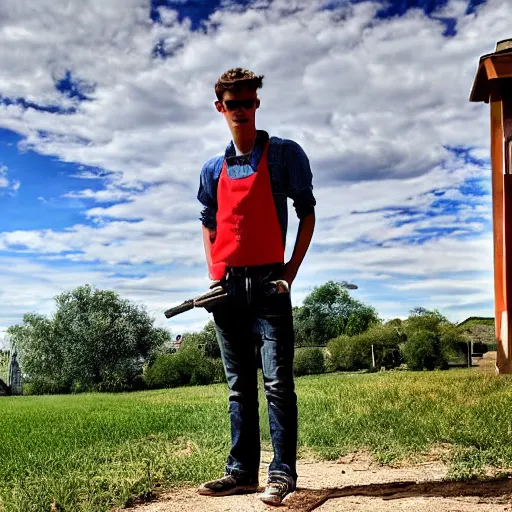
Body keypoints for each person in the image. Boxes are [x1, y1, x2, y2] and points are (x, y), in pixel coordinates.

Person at [196, 68, 316, 505]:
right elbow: (208, 222)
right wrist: (214, 275)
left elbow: (307, 213)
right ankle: (241, 471)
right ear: (220, 108)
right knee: (238, 386)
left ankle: (282, 472)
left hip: (269, 285)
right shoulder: (212, 169)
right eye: (233, 104)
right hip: (227, 289)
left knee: (278, 382)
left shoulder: (284, 155)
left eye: (248, 102)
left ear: (257, 104)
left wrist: (290, 272)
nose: (241, 111)